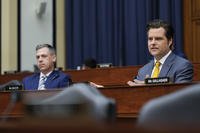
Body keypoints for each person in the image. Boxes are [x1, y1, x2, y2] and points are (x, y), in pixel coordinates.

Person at [127, 19, 193, 86]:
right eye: (150, 39)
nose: (153, 43)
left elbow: (180, 94)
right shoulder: (143, 71)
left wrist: (148, 89)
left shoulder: (182, 66)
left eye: (158, 39)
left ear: (170, 41)